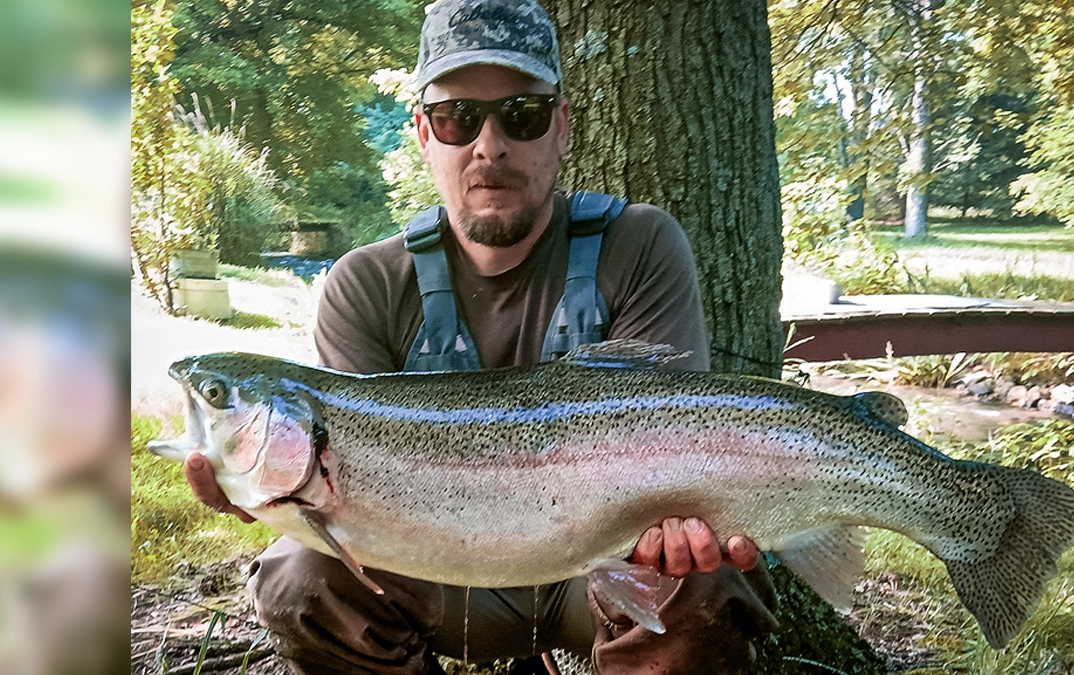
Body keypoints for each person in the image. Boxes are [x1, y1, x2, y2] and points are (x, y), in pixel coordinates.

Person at [184, 0, 779, 672]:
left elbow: (681, 440)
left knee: (702, 578)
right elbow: (336, 511)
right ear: (422, 133)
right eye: (457, 117)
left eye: (520, 115)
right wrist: (263, 494)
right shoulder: (365, 284)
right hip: (439, 581)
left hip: (609, 574)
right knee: (301, 576)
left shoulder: (640, 245)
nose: (488, 145)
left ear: (561, 126)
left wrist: (683, 526)